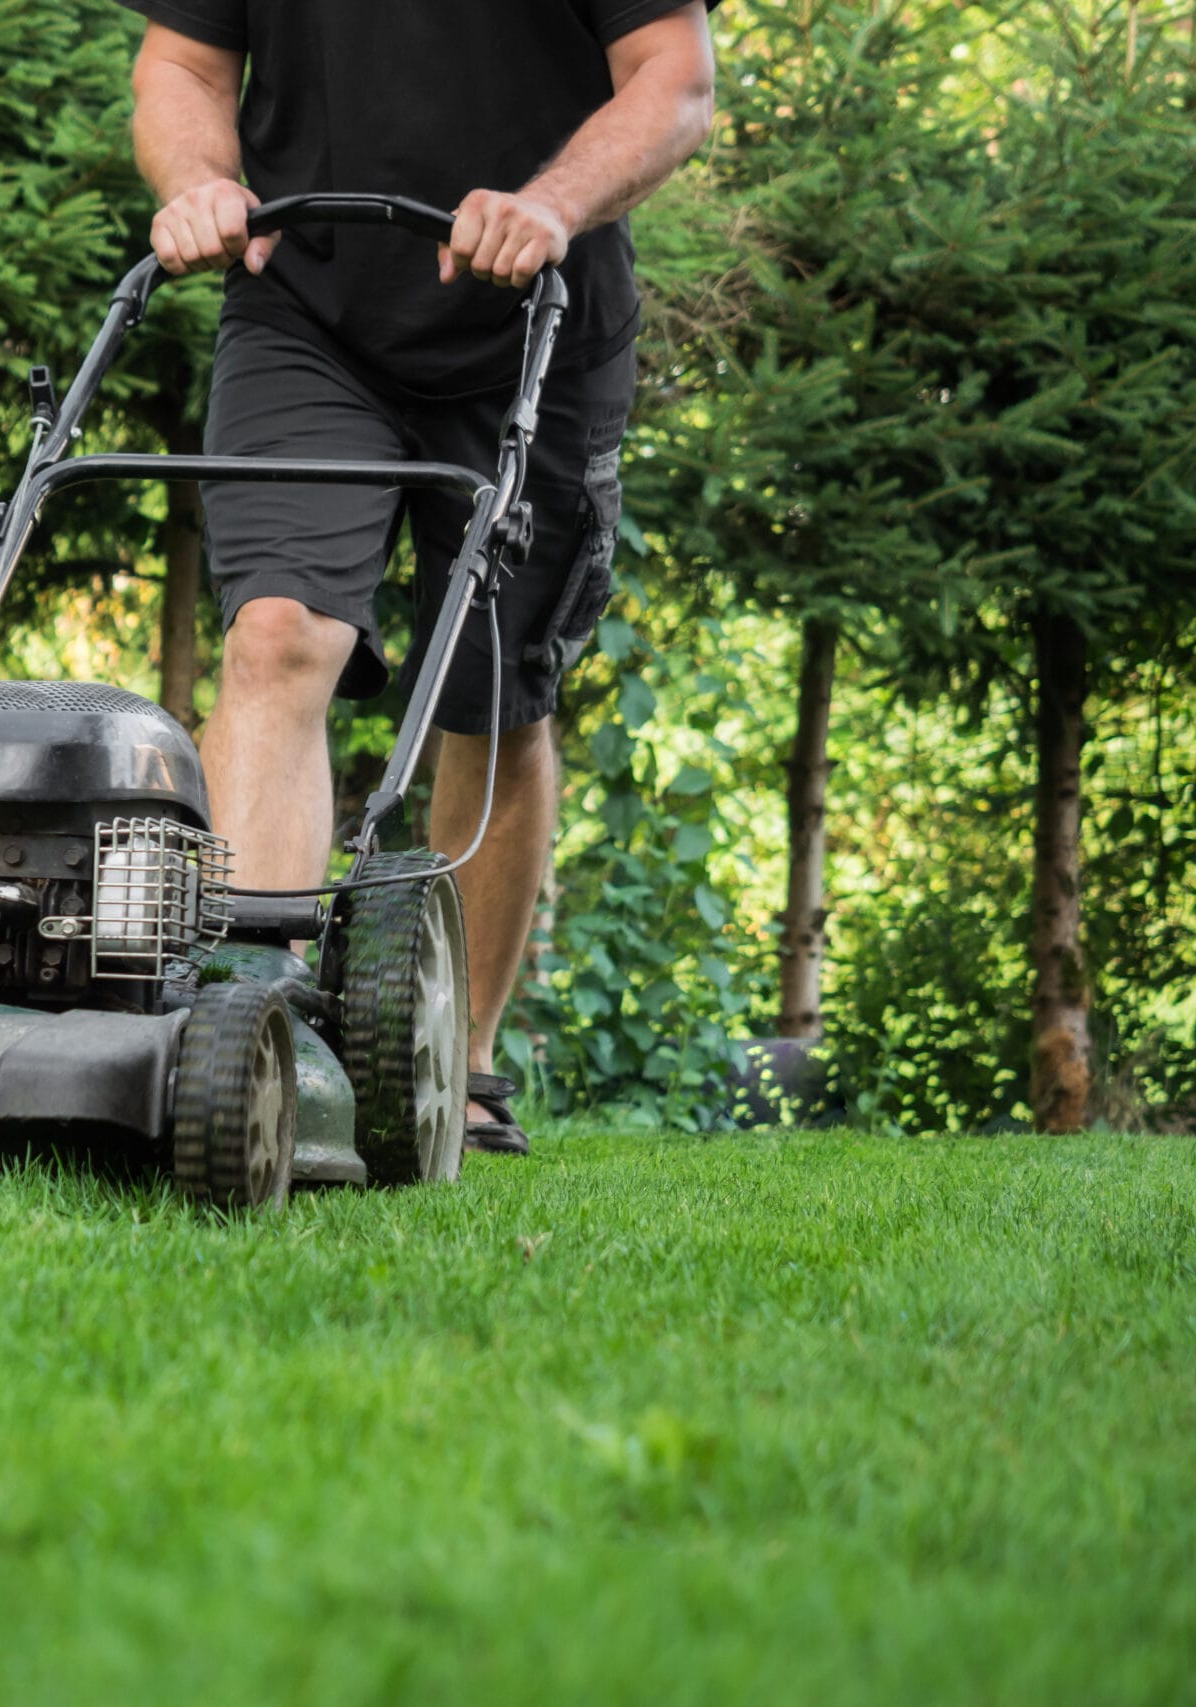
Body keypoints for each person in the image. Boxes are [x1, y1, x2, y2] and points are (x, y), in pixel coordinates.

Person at [121, 0, 719, 1155]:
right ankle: (255, 1035)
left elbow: (673, 78)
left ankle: (462, 1054)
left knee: (494, 697)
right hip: (307, 308)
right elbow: (181, 64)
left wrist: (547, 201)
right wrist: (198, 179)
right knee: (275, 634)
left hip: (536, 309)